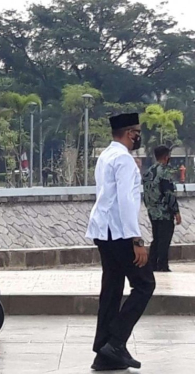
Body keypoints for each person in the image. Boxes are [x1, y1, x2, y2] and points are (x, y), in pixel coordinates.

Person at [85, 113, 156, 371]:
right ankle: (116, 341)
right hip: (120, 232)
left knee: (112, 288)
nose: (139, 136)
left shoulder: (105, 155)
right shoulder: (124, 160)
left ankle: (103, 354)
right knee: (145, 284)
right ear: (129, 133)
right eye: (137, 131)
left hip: (103, 232)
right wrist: (136, 238)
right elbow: (127, 201)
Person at [142, 145, 181, 272]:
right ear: (166, 156)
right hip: (164, 212)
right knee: (164, 239)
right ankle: (162, 265)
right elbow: (168, 193)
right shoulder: (164, 172)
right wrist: (176, 211)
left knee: (156, 238)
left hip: (152, 211)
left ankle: (152, 263)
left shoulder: (148, 172)